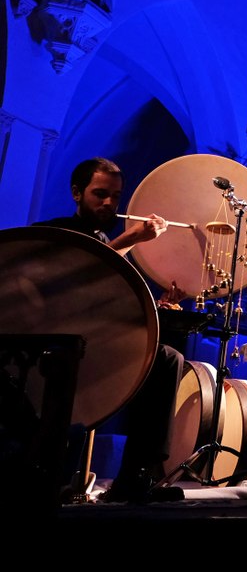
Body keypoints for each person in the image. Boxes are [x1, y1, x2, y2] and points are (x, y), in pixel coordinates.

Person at [34, 157, 184, 504]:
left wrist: (157, 304)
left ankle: (139, 474)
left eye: (115, 197)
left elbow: (112, 295)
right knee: (163, 359)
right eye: (100, 194)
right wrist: (130, 240)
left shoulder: (105, 237)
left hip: (102, 338)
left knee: (166, 359)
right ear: (77, 193)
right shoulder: (60, 232)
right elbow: (80, 273)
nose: (108, 204)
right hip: (66, 342)